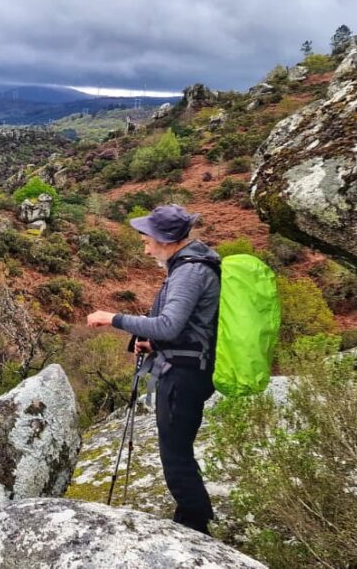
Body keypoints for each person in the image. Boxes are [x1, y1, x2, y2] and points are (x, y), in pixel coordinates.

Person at [86, 204, 221, 534]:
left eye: (147, 240)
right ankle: (194, 517)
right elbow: (186, 327)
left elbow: (169, 325)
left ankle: (194, 526)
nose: (144, 247)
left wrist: (113, 318)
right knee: (177, 451)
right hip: (185, 366)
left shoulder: (189, 272)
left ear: (167, 240)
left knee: (175, 456)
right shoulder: (189, 265)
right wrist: (152, 344)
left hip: (183, 376)